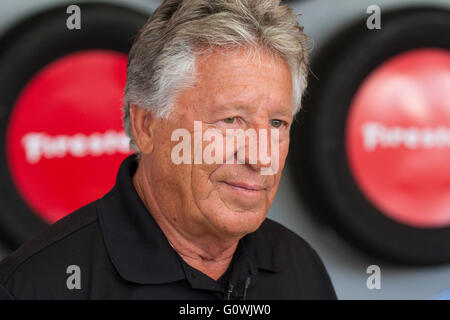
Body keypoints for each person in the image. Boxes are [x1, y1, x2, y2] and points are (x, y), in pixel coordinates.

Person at [0, 0, 337, 299]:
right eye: (231, 120)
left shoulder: (300, 267)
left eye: (278, 123)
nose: (262, 158)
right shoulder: (37, 286)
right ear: (147, 126)